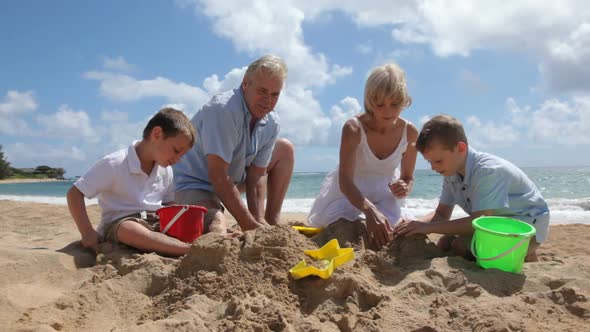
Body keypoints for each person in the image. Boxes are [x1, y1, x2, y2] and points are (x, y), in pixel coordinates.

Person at [393, 114, 550, 261]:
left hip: (527, 226)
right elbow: (441, 214)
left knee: (459, 246)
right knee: (445, 243)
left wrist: (428, 228)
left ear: (461, 148)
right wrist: (414, 224)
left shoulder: (487, 171)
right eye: (430, 162)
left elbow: (480, 221)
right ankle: (523, 255)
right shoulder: (451, 172)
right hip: (497, 223)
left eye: (438, 161)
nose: (434, 168)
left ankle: (527, 252)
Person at [173, 54, 294, 234]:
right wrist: (248, 225)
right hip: (194, 183)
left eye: (274, 94)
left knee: (285, 149)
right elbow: (218, 175)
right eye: (262, 91)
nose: (268, 100)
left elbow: (257, 174)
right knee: (216, 224)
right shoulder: (223, 110)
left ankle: (270, 220)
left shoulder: (271, 121)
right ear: (245, 84)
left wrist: (257, 219)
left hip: (232, 179)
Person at [308, 63, 418, 249]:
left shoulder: (410, 132)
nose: (388, 111)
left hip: (385, 195)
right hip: (349, 194)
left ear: (403, 101)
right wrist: (370, 211)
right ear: (369, 101)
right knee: (345, 227)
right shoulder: (353, 129)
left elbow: (408, 177)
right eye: (380, 104)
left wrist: (404, 187)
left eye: (394, 104)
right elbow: (345, 182)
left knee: (394, 232)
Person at [67, 107, 195, 256]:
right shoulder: (114, 163)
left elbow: (168, 205)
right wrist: (87, 232)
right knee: (128, 230)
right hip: (120, 224)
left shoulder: (165, 169)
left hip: (155, 222)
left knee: (205, 215)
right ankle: (187, 249)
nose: (177, 159)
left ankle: (177, 245)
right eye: (176, 151)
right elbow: (74, 194)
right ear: (157, 134)